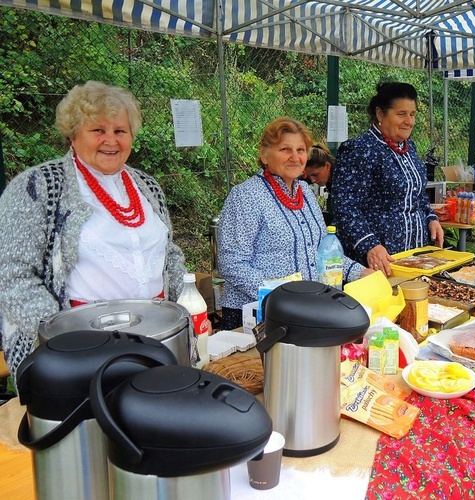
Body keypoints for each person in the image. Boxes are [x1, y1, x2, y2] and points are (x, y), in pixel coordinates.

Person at [0, 81, 186, 381]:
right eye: (98, 130)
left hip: (159, 339)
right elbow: (11, 275)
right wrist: (60, 336)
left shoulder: (146, 185)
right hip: (80, 350)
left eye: (120, 131)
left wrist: (184, 311)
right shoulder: (37, 187)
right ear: (73, 134)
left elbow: (170, 252)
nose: (110, 140)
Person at [217, 117, 372, 330]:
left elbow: (321, 251)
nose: (294, 157)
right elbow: (231, 264)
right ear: (264, 154)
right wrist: (281, 296)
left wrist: (359, 272)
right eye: (284, 149)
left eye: (300, 150)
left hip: (303, 310)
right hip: (258, 316)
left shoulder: (305, 192)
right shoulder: (246, 196)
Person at [332, 82, 444, 277]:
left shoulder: (410, 148)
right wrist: (370, 245)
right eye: (401, 114)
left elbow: (418, 196)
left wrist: (431, 218)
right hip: (379, 260)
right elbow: (345, 207)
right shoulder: (360, 150)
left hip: (414, 255)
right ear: (380, 114)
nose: (409, 121)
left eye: (413, 114)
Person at [304, 143, 335, 224]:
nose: (313, 180)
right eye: (309, 176)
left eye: (315, 175)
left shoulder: (343, 179)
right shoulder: (316, 177)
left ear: (327, 166)